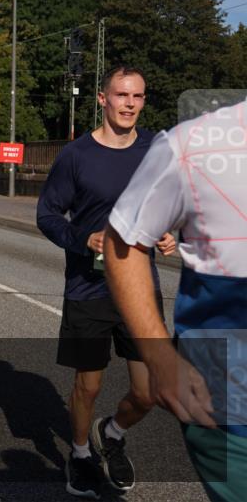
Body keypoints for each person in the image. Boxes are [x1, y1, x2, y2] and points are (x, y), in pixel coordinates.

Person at [37, 66, 176, 498]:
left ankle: (110, 433)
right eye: (121, 95)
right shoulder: (76, 155)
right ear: (103, 99)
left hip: (139, 288)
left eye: (137, 96)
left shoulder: (157, 148)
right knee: (89, 384)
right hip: (89, 286)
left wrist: (173, 229)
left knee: (150, 390)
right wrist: (83, 238)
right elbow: (46, 214)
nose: (129, 104)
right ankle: (79, 454)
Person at [105, 100, 246, 502]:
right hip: (229, 410)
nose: (130, 104)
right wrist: (160, 356)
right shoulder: (191, 146)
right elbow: (123, 241)